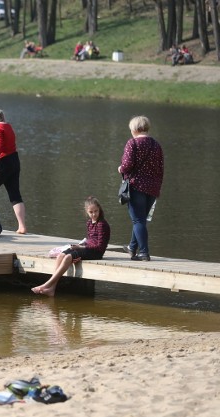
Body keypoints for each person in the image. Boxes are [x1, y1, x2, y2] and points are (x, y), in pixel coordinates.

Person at [32, 196, 110, 296]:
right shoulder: (89, 223)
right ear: (87, 211)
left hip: (96, 253)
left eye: (96, 211)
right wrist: (80, 245)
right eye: (91, 212)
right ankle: (52, 288)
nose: (94, 214)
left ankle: (47, 284)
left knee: (68, 257)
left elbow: (99, 247)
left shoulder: (102, 224)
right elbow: (90, 240)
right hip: (87, 248)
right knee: (61, 255)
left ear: (99, 209)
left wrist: (80, 249)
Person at [117, 116, 164, 261]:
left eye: (131, 129)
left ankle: (144, 252)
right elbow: (160, 169)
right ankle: (132, 247)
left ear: (135, 129)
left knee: (138, 221)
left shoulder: (132, 143)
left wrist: (120, 169)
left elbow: (127, 164)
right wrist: (158, 188)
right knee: (141, 220)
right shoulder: (156, 145)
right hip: (153, 187)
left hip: (136, 186)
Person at [0, 106, 27, 234]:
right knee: (15, 195)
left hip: (2, 162)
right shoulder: (8, 126)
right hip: (14, 161)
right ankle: (22, 226)